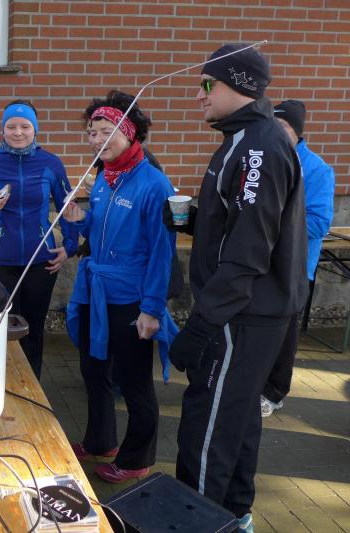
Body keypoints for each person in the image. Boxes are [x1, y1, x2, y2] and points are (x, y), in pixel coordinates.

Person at [166, 44, 307, 532]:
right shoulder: (242, 139)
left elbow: (248, 254)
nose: (199, 95)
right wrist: (193, 222)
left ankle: (195, 522)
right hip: (248, 312)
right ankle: (236, 516)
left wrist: (200, 327)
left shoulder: (258, 148)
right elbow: (242, 225)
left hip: (241, 316)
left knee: (207, 428)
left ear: (239, 84)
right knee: (239, 418)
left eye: (207, 84)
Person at [62, 90, 178, 484]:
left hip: (132, 298)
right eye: (91, 133)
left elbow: (162, 252)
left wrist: (152, 309)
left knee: (134, 381)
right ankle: (100, 441)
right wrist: (79, 219)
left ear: (128, 132)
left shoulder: (154, 184)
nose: (96, 140)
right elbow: (99, 229)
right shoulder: (103, 177)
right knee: (94, 370)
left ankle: (136, 458)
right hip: (96, 291)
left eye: (105, 132)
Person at [0, 100, 78, 379]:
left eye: (25, 126)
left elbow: (67, 208)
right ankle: (0, 384)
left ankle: (32, 386)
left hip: (40, 262)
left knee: (33, 331)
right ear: (2, 130)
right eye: (11, 126)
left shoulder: (51, 163)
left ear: (35, 129)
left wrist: (70, 246)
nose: (18, 132)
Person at [258, 100, 335, 417]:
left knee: (284, 333)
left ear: (297, 132)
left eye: (282, 127)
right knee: (259, 329)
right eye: (271, 125)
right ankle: (252, 384)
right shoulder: (262, 159)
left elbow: (319, 223)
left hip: (293, 267)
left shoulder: (317, 169)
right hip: (259, 261)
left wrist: (271, 221)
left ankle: (274, 393)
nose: (274, 132)